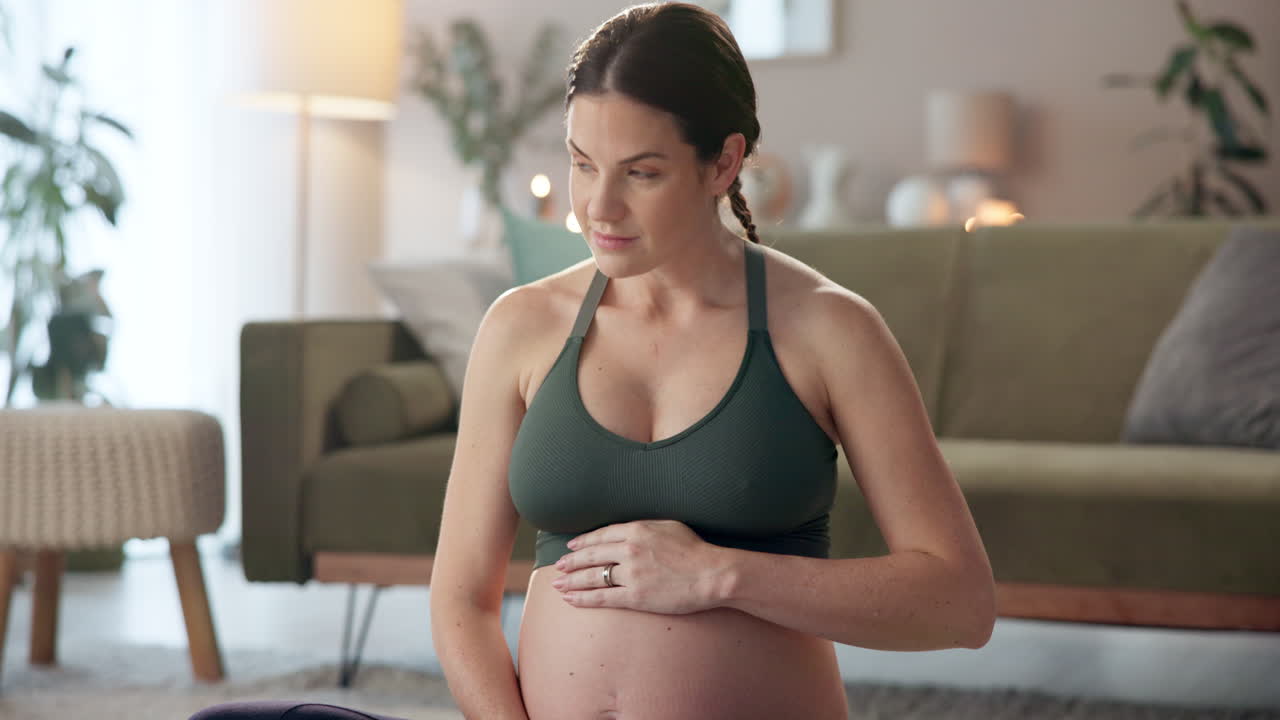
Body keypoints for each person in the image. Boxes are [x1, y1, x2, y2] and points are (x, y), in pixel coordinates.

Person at [192, 3, 995, 719]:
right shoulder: (522, 326)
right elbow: (461, 597)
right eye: (582, 164)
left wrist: (718, 575)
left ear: (723, 163)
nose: (597, 209)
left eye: (641, 174)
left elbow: (960, 602)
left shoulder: (827, 329)